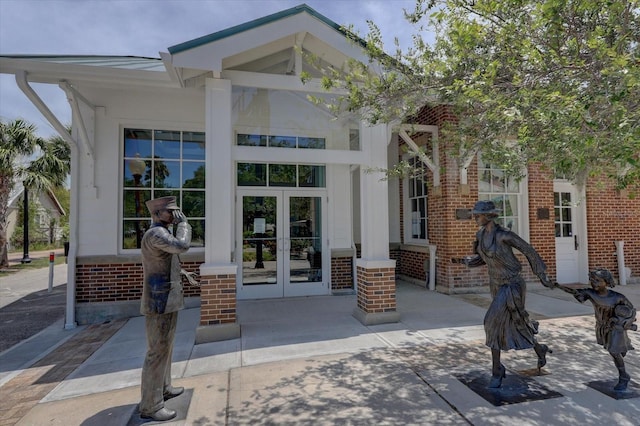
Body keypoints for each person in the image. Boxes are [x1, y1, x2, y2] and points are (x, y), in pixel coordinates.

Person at [454, 200, 555, 388]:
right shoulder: (480, 234)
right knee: (516, 323)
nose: (475, 217)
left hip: (512, 284)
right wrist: (467, 261)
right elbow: (482, 259)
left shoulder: (504, 235)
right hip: (496, 284)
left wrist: (542, 275)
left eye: (478, 214)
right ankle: (539, 348)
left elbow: (528, 250)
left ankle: (497, 370)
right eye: (474, 214)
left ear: (490, 215)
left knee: (491, 322)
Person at [138, 196, 191, 421]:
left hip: (167, 299)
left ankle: (164, 388)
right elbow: (181, 246)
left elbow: (167, 260)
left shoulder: (162, 233)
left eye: (176, 212)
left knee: (166, 348)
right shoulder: (156, 234)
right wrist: (185, 225)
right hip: (159, 301)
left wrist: (183, 274)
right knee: (157, 351)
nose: (174, 215)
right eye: (170, 212)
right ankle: (151, 405)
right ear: (157, 213)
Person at [556, 268, 637, 391]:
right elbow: (575, 292)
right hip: (601, 327)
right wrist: (557, 286)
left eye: (598, 280)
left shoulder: (618, 297)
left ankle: (623, 376)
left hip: (615, 328)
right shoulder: (590, 293)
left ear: (607, 281)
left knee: (614, 352)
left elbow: (631, 311)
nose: (594, 283)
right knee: (614, 350)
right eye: (592, 280)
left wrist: (626, 322)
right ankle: (621, 349)